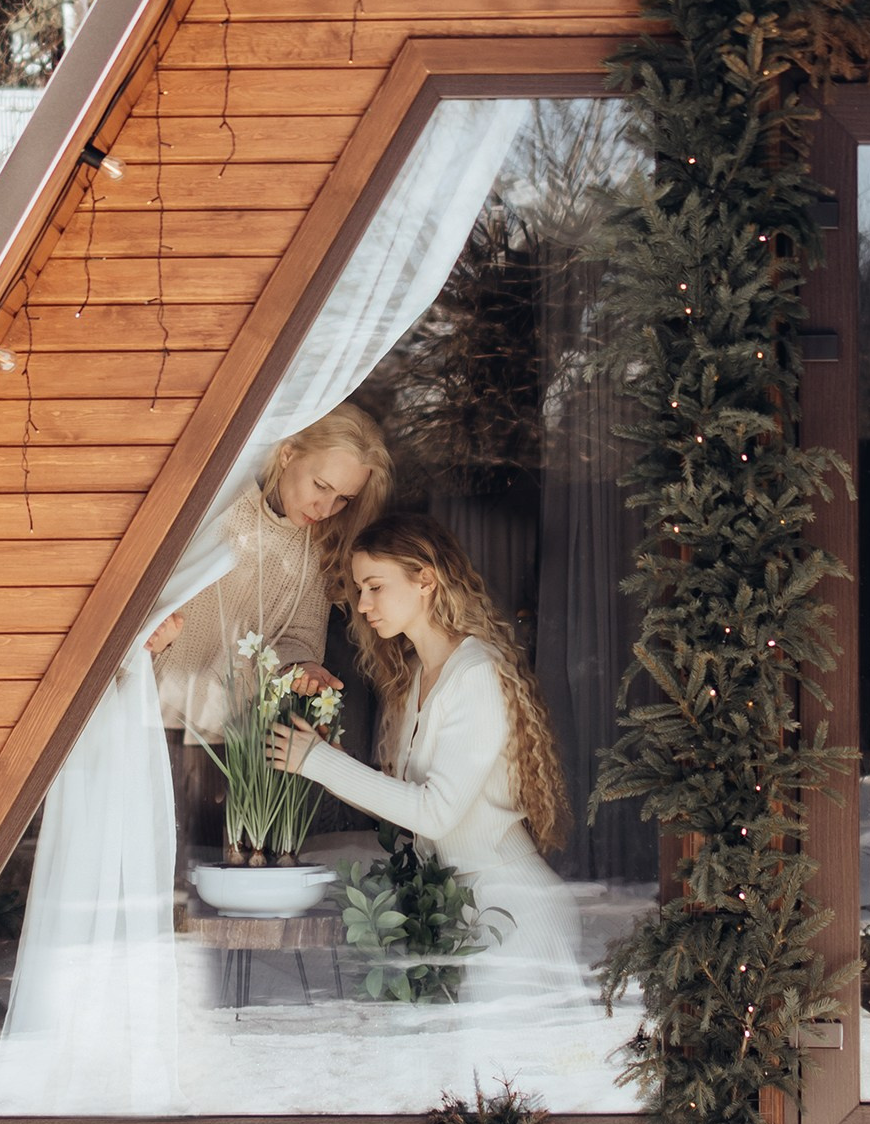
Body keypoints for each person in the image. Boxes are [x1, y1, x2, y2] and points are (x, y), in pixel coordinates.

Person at [268, 511, 582, 1003]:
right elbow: (412, 807)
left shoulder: (474, 674)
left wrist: (318, 763)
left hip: (514, 911)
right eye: (358, 589)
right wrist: (331, 760)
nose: (363, 604)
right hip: (463, 909)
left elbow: (436, 813)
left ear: (425, 581)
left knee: (509, 1079)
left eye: (375, 586)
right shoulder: (420, 677)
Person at [151, 404, 393, 747]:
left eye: (343, 499)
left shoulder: (319, 545)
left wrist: (300, 667)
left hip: (224, 738)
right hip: (147, 708)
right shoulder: (218, 499)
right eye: (321, 486)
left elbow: (298, 636)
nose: (325, 510)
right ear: (287, 454)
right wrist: (150, 640)